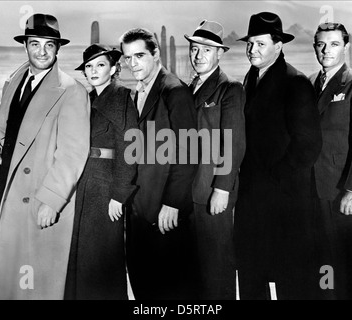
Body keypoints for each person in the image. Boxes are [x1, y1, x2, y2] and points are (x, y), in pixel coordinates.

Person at [0, 13, 90, 299]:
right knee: (8, 284)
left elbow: (72, 153)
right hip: (7, 192)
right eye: (35, 44)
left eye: (49, 45)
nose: (42, 51)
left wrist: (52, 200)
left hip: (39, 200)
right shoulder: (15, 80)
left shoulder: (71, 91)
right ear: (25, 46)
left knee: (34, 286)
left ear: (58, 48)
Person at [234, 12, 322, 300]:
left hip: (286, 201)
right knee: (251, 275)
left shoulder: (294, 82)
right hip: (252, 199)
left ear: (278, 46)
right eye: (250, 44)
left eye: (260, 44)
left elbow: (308, 145)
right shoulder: (250, 77)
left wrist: (274, 179)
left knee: (292, 280)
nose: (252, 50)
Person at [120, 28, 198, 300]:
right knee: (144, 289)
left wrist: (173, 203)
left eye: (139, 56)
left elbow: (189, 153)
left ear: (155, 53)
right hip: (139, 211)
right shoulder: (136, 93)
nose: (133, 64)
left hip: (165, 212)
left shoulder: (175, 91)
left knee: (170, 292)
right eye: (128, 58)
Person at [310, 22, 352, 300]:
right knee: (323, 266)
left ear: (346, 48)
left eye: (334, 44)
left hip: (344, 194)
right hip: (314, 193)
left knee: (350, 269)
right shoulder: (310, 84)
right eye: (321, 44)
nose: (327, 50)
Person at [64, 44, 138, 300]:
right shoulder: (87, 98)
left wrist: (119, 195)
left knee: (102, 260)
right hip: (84, 185)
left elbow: (130, 148)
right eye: (89, 66)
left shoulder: (121, 97)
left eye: (100, 65)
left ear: (114, 68)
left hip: (107, 189)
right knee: (81, 258)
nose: (93, 71)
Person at [184, 20, 245, 299]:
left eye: (206, 50)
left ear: (219, 53)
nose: (198, 56)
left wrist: (222, 189)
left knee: (217, 267)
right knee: (194, 269)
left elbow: (233, 143)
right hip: (186, 194)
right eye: (194, 49)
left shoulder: (229, 89)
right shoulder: (187, 89)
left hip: (211, 192)